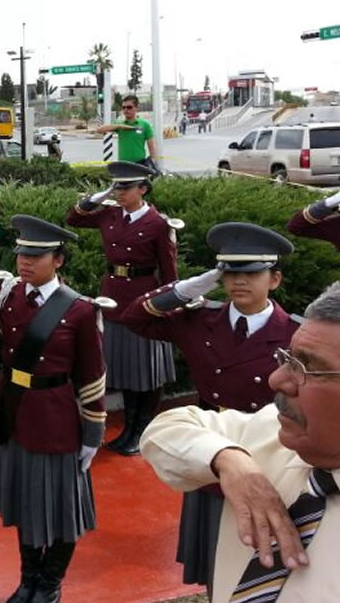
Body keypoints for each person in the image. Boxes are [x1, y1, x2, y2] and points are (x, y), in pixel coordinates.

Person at [123, 222, 301, 592]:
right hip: (210, 454)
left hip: (267, 456)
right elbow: (134, 317)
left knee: (266, 565)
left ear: (275, 279)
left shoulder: (296, 335)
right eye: (230, 272)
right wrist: (185, 289)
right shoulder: (200, 319)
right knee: (213, 563)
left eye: (252, 273)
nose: (240, 281)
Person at [140, 281, 340, 603]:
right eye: (287, 358)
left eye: (307, 368)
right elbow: (165, 430)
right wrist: (228, 458)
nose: (277, 379)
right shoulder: (269, 432)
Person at [0, 215, 107, 603]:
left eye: (36, 255)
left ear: (59, 260)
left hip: (55, 418)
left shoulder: (79, 310)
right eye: (21, 254)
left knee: (61, 506)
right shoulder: (10, 294)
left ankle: (50, 584)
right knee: (24, 501)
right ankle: (28, 579)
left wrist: (93, 433)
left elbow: (92, 376)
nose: (25, 262)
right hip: (14, 411)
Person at [65, 161, 179, 456]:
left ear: (143, 188)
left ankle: (142, 429)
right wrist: (99, 197)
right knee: (126, 369)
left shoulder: (159, 224)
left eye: (125, 187)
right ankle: (128, 427)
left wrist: (167, 308)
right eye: (116, 186)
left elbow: (169, 273)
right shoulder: (110, 215)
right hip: (114, 299)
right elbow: (74, 218)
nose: (120, 192)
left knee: (147, 370)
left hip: (144, 301)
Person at [95, 95, 157, 170]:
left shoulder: (145, 125)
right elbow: (99, 130)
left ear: (137, 108)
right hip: (123, 165)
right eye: (123, 107)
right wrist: (120, 126)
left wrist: (152, 163)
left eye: (129, 107)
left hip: (139, 164)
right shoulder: (119, 124)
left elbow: (152, 147)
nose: (126, 110)